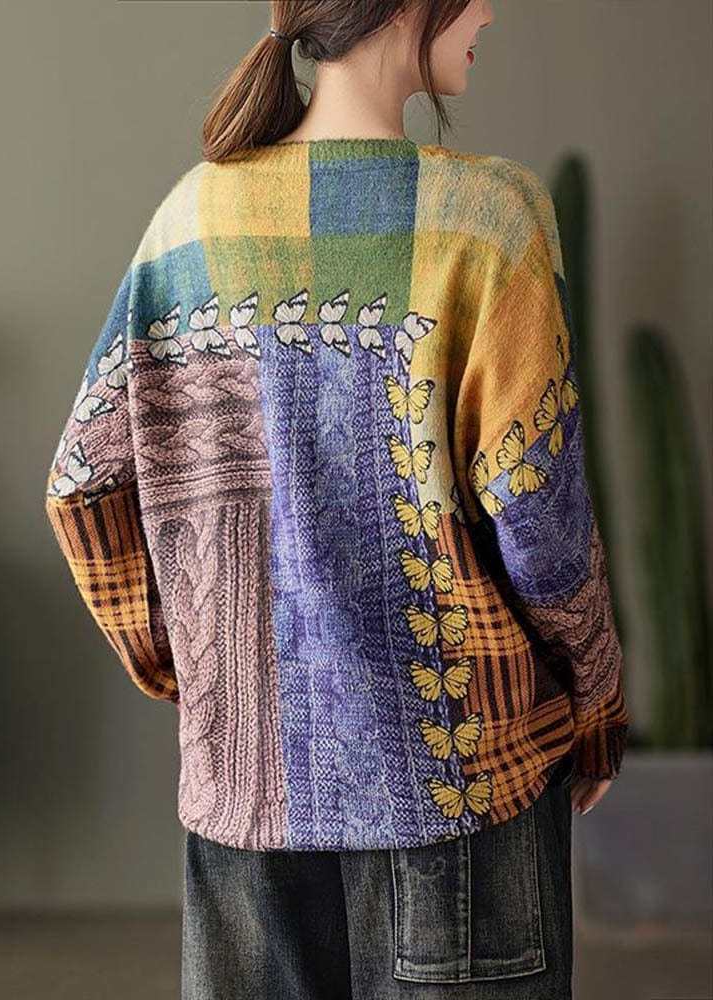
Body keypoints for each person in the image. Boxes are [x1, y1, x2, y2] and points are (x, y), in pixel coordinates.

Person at [44, 1, 630, 997]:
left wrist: (201, 669)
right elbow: (539, 513)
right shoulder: (490, 218)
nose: (489, 9)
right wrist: (597, 697)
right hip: (460, 794)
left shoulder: (190, 220)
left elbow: (83, 483)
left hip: (243, 808)